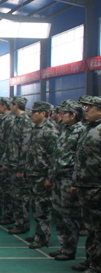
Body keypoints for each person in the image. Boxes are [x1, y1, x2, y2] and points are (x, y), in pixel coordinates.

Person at [50, 101, 85, 261]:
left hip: (69, 179)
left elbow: (80, 159)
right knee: (59, 214)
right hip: (58, 177)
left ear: (73, 115)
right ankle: (63, 246)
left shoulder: (80, 131)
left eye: (65, 113)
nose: (62, 115)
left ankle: (70, 249)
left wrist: (75, 181)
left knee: (70, 216)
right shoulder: (64, 129)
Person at [71, 96, 101, 273]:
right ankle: (90, 258)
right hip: (85, 185)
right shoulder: (88, 129)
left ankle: (98, 265)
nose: (86, 110)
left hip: (97, 186)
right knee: (90, 227)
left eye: (91, 107)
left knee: (98, 229)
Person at [25, 101, 58, 249]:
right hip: (34, 174)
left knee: (43, 208)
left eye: (34, 112)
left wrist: (49, 178)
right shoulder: (36, 129)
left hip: (42, 176)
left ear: (43, 113)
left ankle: (43, 238)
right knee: (36, 207)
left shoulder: (50, 131)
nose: (31, 114)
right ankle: (39, 233)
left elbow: (54, 157)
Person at [1, 96, 33, 235]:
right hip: (12, 164)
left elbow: (25, 147)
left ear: (16, 105)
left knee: (21, 197)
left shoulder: (25, 122)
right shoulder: (17, 120)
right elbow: (11, 144)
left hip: (19, 166)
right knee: (15, 195)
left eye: (12, 104)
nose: (11, 106)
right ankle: (18, 221)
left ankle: (23, 224)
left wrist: (21, 168)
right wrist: (7, 161)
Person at [0, 97, 17, 225]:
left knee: (8, 189)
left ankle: (10, 215)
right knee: (1, 187)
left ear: (4, 106)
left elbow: (10, 143)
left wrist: (6, 160)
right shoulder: (2, 120)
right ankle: (4, 212)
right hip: (0, 157)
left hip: (6, 159)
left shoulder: (10, 120)